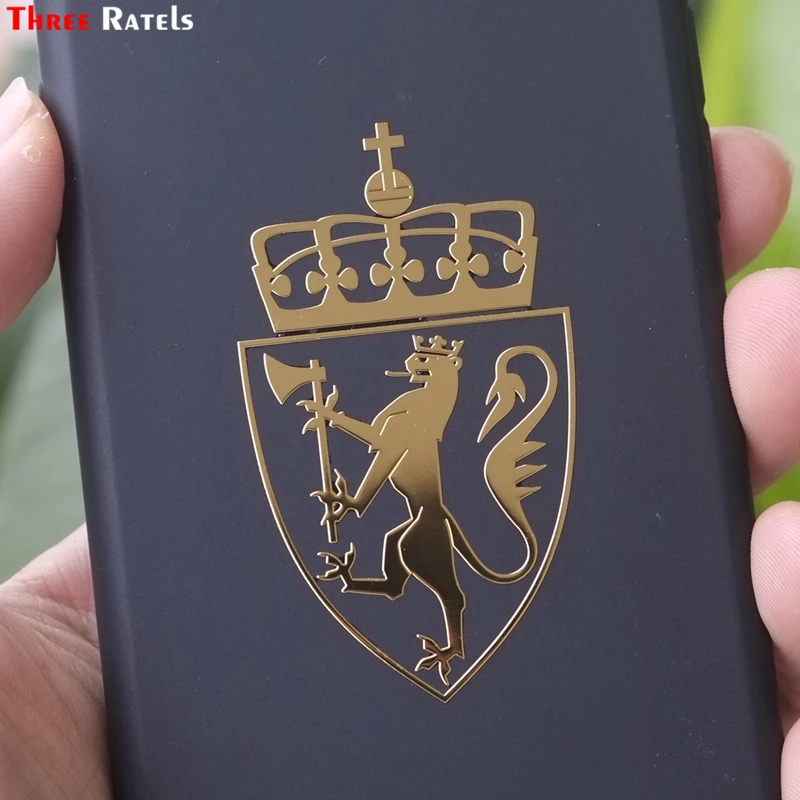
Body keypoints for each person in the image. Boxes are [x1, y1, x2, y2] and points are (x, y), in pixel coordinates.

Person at [0, 75, 798, 797]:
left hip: (422, 512)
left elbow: (384, 461)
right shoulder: (411, 409)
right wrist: (335, 436)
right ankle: (401, 601)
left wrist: (338, 452)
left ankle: (444, 633)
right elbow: (379, 451)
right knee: (403, 560)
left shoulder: (419, 413)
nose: (414, 363)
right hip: (415, 519)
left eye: (424, 359)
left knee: (434, 575)